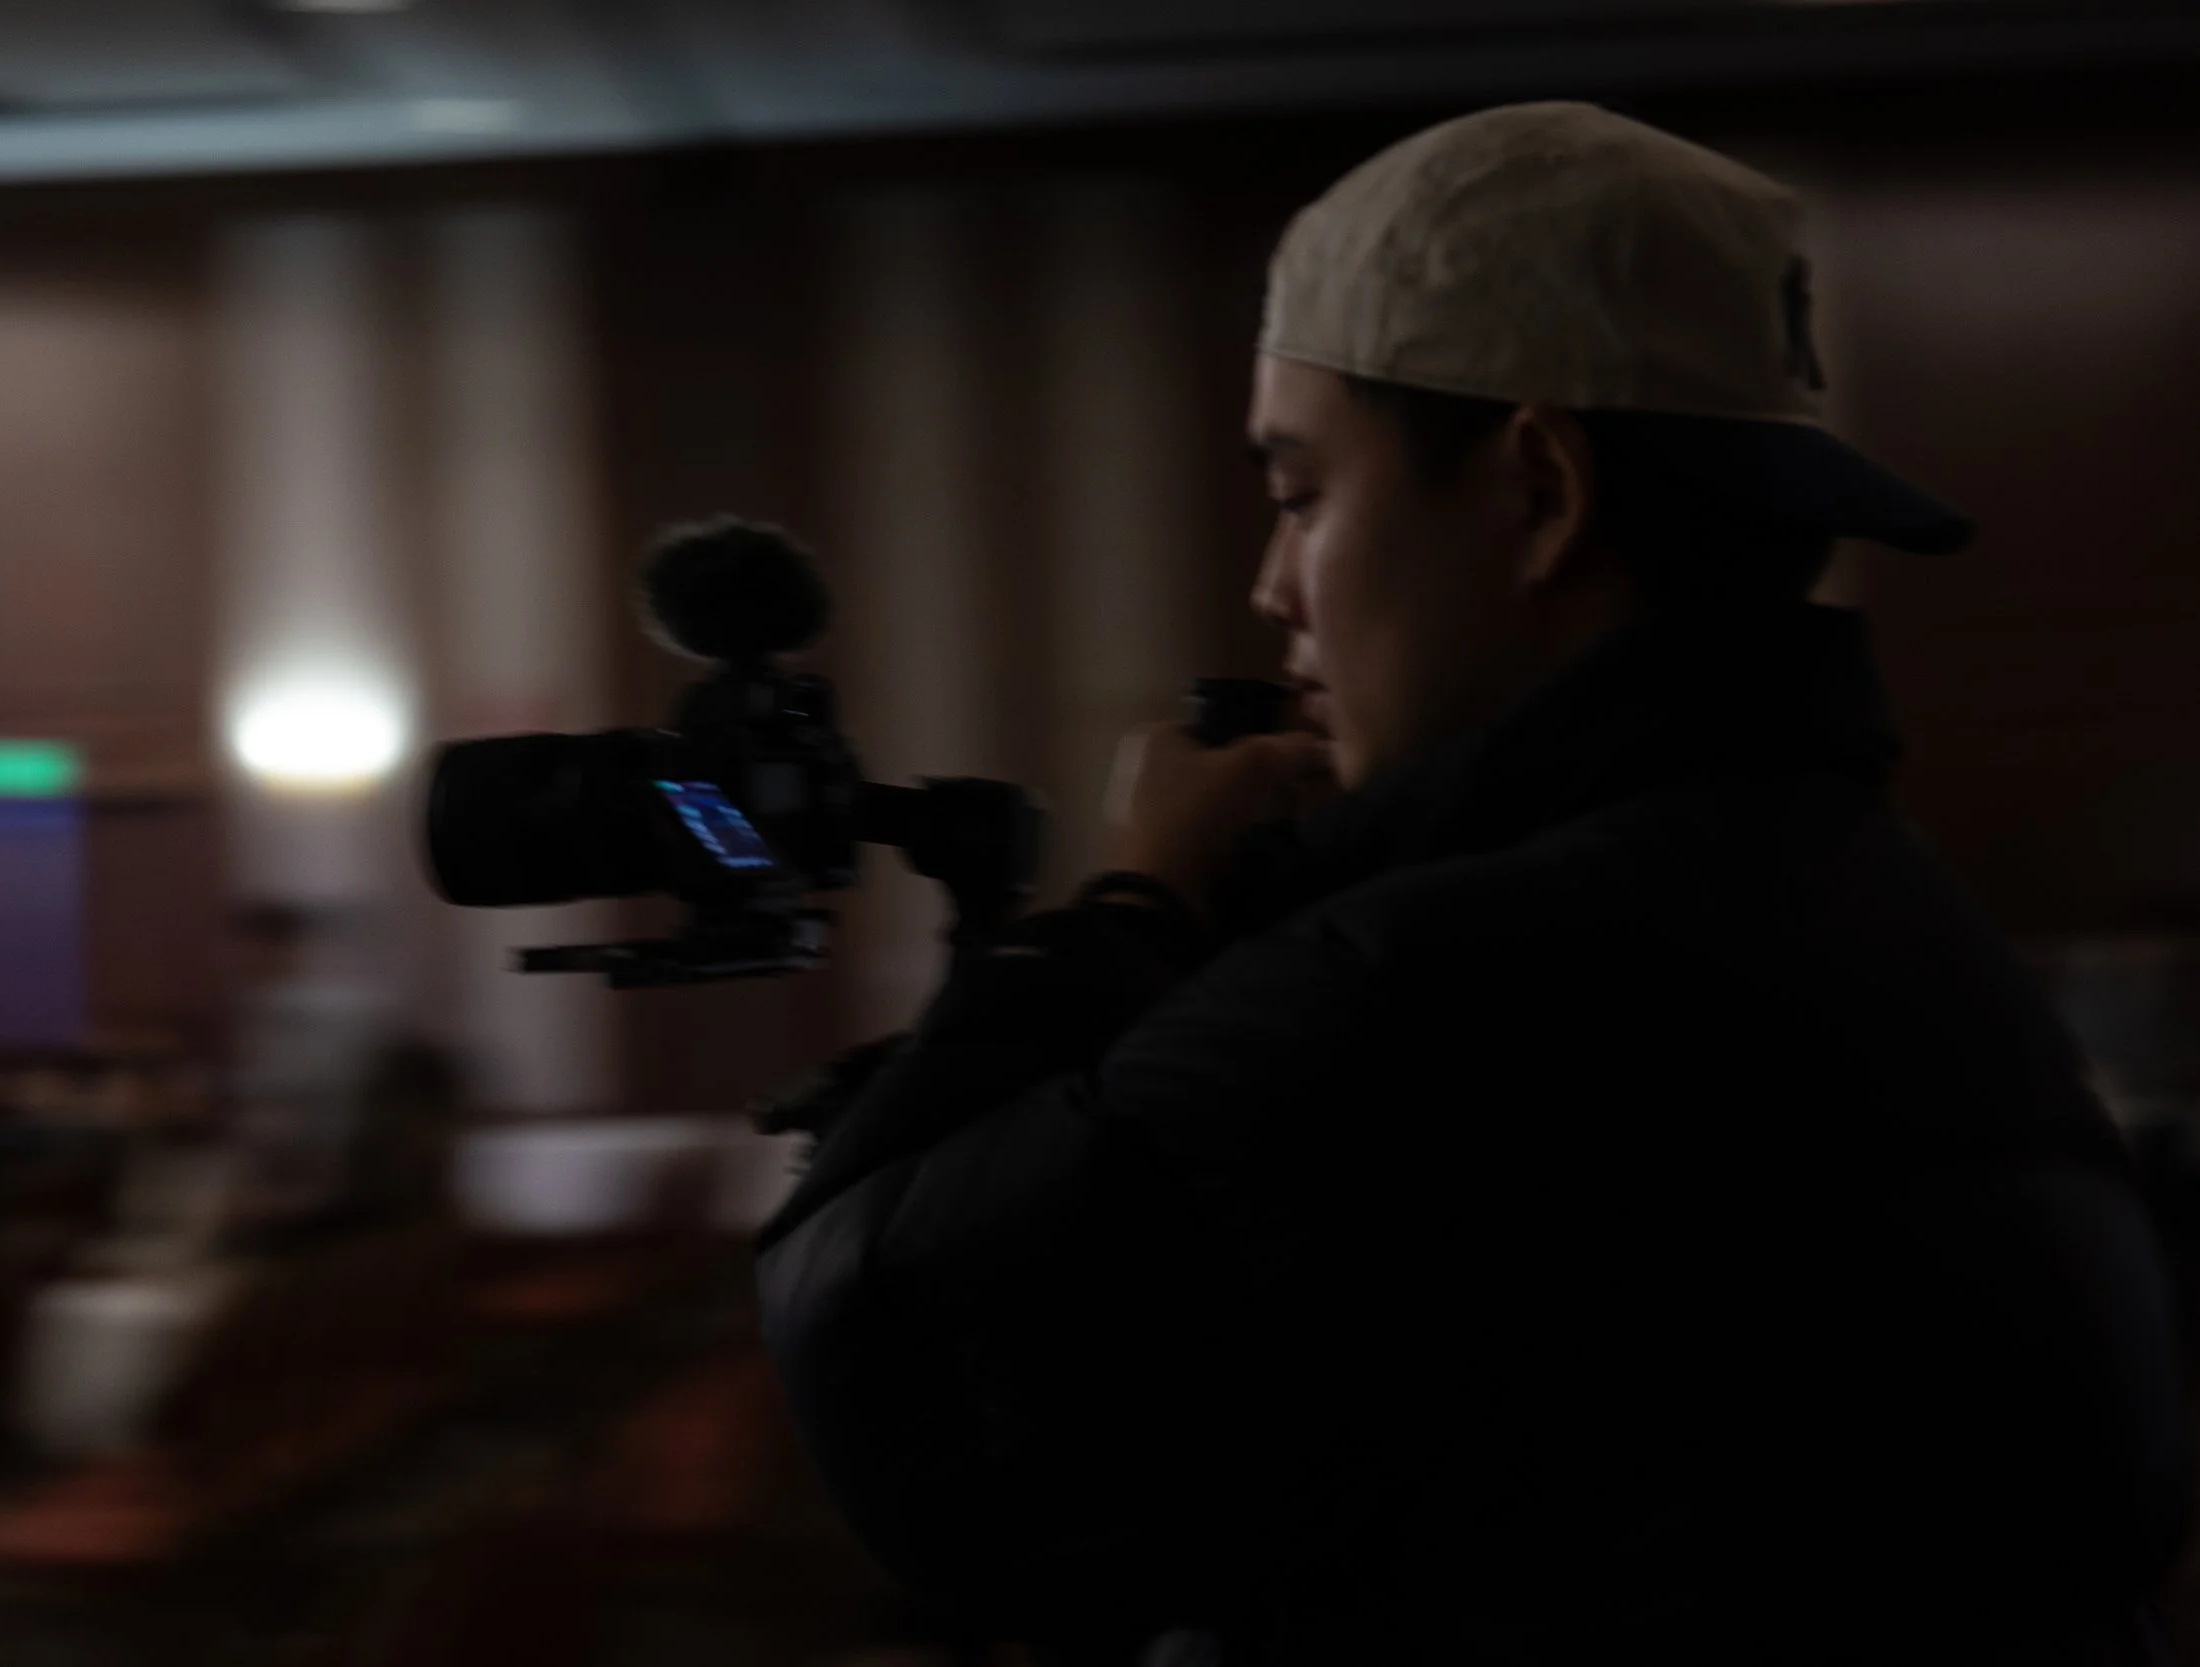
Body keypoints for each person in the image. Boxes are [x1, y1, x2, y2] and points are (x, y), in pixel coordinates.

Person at [754, 103, 2194, 1666]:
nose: (1271, 583)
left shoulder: (1453, 982)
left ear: (1537, 492)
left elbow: (893, 1368)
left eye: (1303, 494)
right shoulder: (1863, 898)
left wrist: (1129, 909)